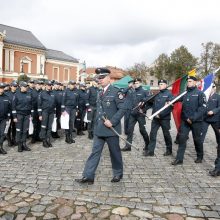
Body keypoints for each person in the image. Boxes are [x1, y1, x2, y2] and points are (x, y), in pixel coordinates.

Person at [75, 67, 126, 184]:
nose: (100, 80)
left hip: (111, 129)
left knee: (115, 152)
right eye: (98, 78)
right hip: (100, 129)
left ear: (109, 78)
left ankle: (118, 173)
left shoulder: (116, 92)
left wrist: (112, 121)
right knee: (95, 152)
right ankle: (88, 176)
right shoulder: (99, 92)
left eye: (102, 78)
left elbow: (122, 109)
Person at [171, 76, 207, 165]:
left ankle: (200, 156)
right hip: (185, 121)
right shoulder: (185, 93)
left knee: (197, 139)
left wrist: (192, 118)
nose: (188, 83)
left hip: (196, 121)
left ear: (195, 82)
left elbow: (202, 108)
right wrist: (170, 101)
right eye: (188, 81)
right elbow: (176, 99)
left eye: (190, 81)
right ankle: (179, 159)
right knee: (182, 138)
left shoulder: (200, 94)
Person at [144, 79, 173, 156]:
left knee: (166, 134)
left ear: (166, 85)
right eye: (159, 84)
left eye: (162, 84)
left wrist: (160, 114)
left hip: (165, 119)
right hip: (155, 118)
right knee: (152, 134)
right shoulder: (157, 94)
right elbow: (149, 102)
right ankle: (151, 151)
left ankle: (169, 150)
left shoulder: (169, 94)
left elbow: (170, 108)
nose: (160, 85)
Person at [121, 78, 151, 152]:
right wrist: (129, 86)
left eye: (137, 83)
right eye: (135, 83)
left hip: (140, 114)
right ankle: (128, 146)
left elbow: (150, 103)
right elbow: (123, 93)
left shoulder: (145, 91)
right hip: (133, 114)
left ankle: (148, 145)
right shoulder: (132, 91)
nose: (136, 84)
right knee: (129, 130)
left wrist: (143, 108)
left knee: (142, 130)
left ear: (140, 83)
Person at [200, 83, 220, 177]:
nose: (211, 88)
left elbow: (219, 107)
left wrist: (214, 111)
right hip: (205, 119)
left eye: (213, 87)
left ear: (215, 88)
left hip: (215, 119)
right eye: (210, 87)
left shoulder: (218, 96)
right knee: (201, 136)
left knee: (218, 139)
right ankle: (200, 154)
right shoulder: (205, 95)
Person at [12, 81, 33, 152]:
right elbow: (13, 107)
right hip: (19, 115)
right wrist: (14, 117)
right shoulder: (16, 95)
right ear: (21, 86)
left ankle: (24, 144)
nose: (26, 88)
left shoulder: (29, 94)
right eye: (24, 86)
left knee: (25, 130)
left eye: (26, 86)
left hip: (27, 115)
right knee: (19, 130)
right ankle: (19, 145)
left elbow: (31, 105)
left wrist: (31, 115)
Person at [38, 81, 56, 148]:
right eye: (48, 85)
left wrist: (54, 113)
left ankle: (48, 139)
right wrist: (40, 114)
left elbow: (54, 104)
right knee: (43, 127)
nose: (49, 86)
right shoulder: (41, 93)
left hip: (51, 112)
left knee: (49, 127)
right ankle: (44, 141)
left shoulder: (52, 93)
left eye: (50, 85)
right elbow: (39, 105)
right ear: (45, 85)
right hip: (44, 112)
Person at [0, 83, 11, 154]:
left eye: (2, 88)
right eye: (0, 88)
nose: (1, 89)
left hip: (4, 118)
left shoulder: (7, 97)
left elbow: (9, 108)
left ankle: (0, 147)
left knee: (2, 133)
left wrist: (8, 117)